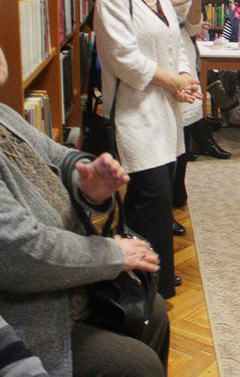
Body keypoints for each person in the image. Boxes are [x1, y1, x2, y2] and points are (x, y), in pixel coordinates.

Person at [0, 43, 170, 376]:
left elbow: (59, 156)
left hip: (61, 287)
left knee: (154, 310)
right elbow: (20, 253)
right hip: (28, 314)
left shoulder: (4, 115)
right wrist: (112, 254)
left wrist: (88, 181)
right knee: (137, 365)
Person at [94, 0, 202, 298]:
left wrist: (185, 77)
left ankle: (158, 278)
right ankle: (143, 286)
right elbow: (123, 58)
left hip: (166, 114)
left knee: (161, 200)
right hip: (135, 115)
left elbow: (178, 45)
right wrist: (173, 81)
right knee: (149, 196)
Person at [145, 0, 226, 242]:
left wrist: (196, 0)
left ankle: (177, 193)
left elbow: (192, 27)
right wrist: (182, 0)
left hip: (182, 50)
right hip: (154, 54)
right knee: (160, 131)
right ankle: (160, 206)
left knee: (182, 129)